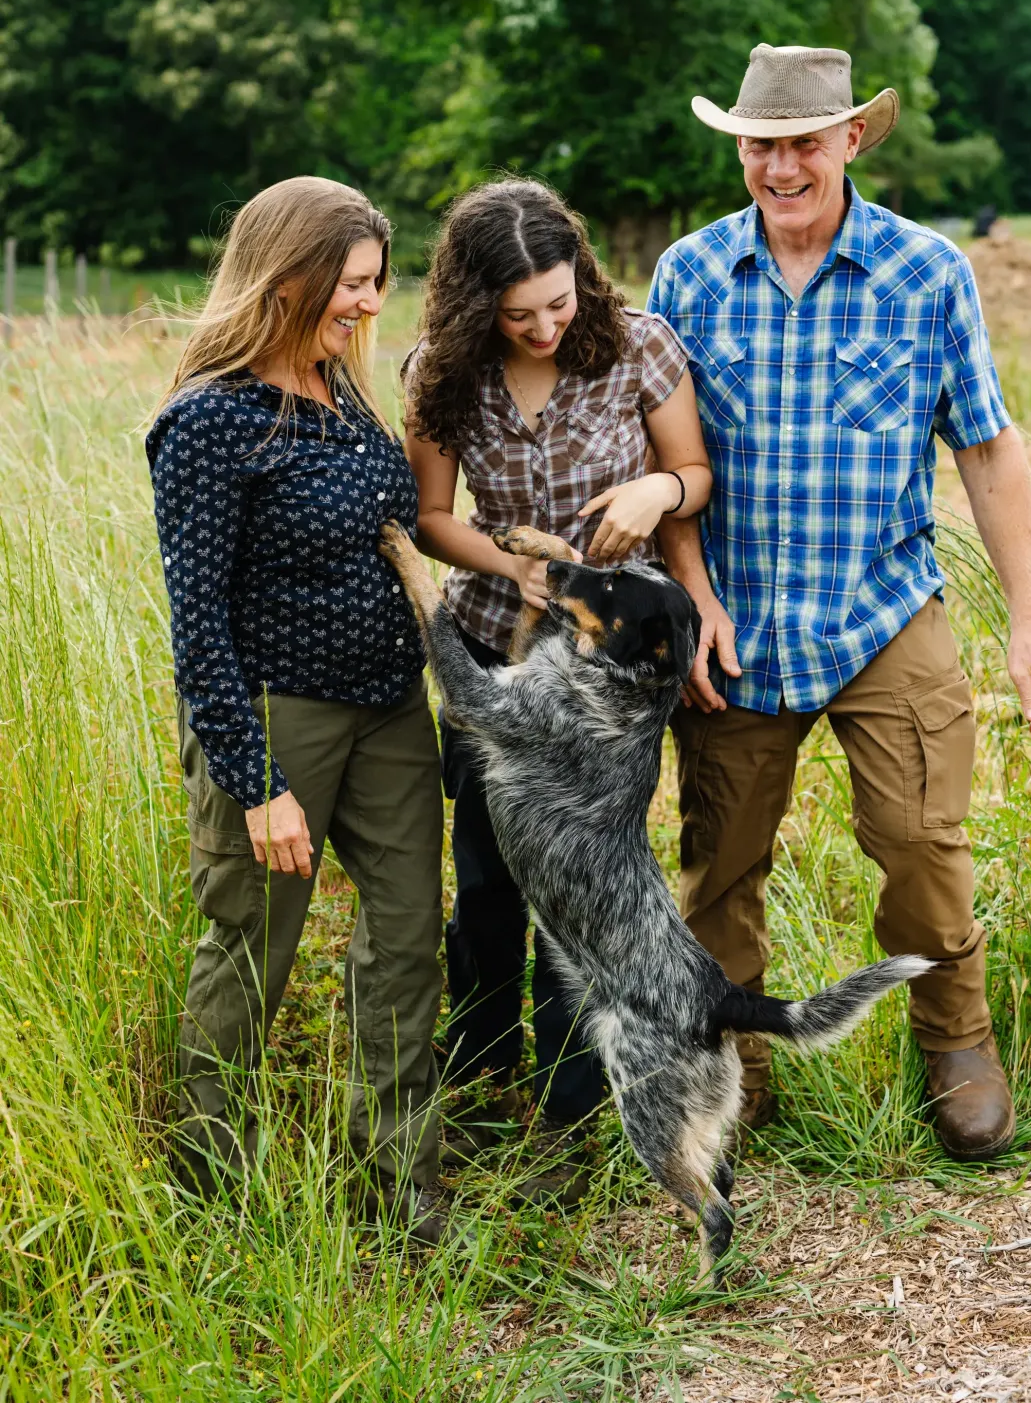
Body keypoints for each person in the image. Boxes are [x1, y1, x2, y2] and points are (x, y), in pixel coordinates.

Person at [648, 44, 1031, 1159]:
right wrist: (691, 597)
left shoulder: (926, 271)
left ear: (849, 140)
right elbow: (666, 458)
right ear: (740, 147)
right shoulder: (687, 274)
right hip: (735, 615)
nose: (780, 165)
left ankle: (957, 1042)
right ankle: (730, 1066)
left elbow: (985, 446)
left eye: (801, 142)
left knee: (922, 840)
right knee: (721, 861)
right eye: (760, 144)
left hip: (884, 605)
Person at [147, 176, 451, 1242]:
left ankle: (404, 1184)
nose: (371, 304)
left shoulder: (344, 393)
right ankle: (213, 1196)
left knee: (409, 936)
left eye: (376, 282)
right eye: (355, 284)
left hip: (388, 711)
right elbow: (197, 624)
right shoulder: (207, 421)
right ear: (291, 279)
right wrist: (257, 781)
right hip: (278, 717)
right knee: (248, 946)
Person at [404, 177, 711, 1197]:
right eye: (518, 311)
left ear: (581, 274)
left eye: (559, 301)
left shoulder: (640, 344)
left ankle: (572, 1114)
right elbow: (432, 515)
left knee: (579, 889)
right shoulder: (442, 372)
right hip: (498, 643)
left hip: (607, 672)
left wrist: (651, 490)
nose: (544, 324)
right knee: (488, 875)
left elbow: (692, 472)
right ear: (474, 304)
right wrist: (510, 567)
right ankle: (484, 1075)